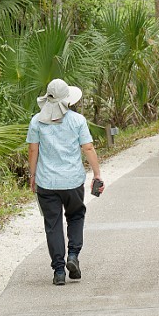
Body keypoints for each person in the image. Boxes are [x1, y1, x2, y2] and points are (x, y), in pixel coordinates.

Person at [26, 78, 104, 286]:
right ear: (67, 99)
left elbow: (33, 150)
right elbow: (87, 148)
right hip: (72, 181)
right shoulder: (77, 120)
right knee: (76, 216)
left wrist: (32, 176)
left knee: (52, 225)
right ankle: (73, 256)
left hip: (46, 183)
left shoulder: (36, 121)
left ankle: (59, 271)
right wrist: (97, 174)